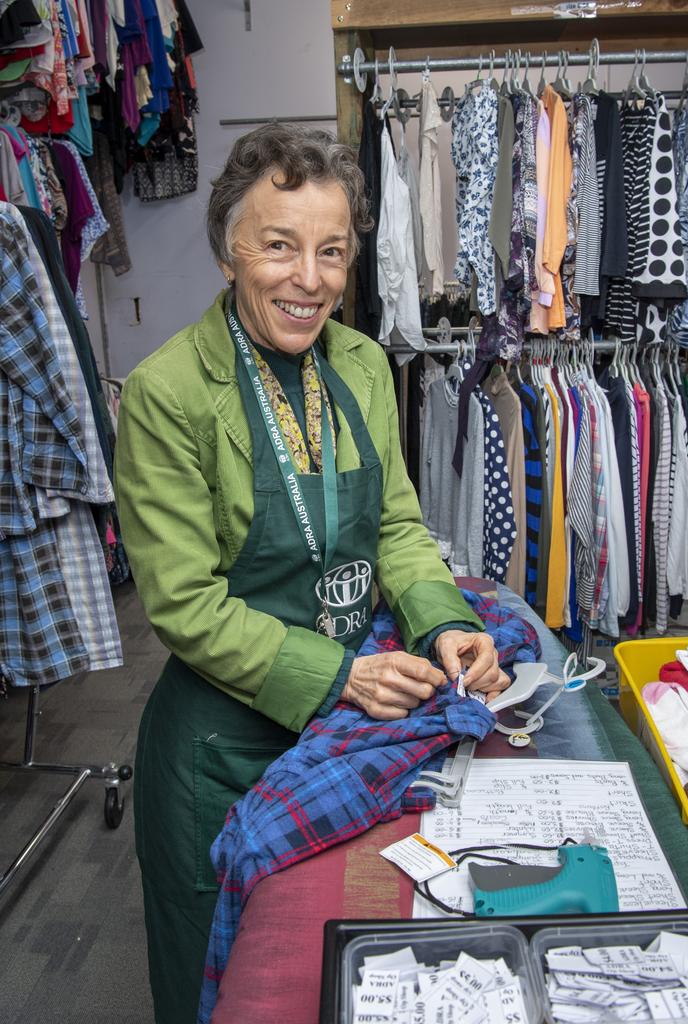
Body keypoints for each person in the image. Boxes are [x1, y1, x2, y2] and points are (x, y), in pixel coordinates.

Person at [114, 123, 510, 1023]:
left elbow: (398, 529)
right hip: (221, 747)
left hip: (346, 739)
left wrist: (443, 623)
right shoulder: (168, 394)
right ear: (228, 252)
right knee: (216, 984)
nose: (309, 278)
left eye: (332, 252)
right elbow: (184, 605)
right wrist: (342, 674)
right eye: (279, 246)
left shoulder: (364, 365)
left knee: (336, 963)